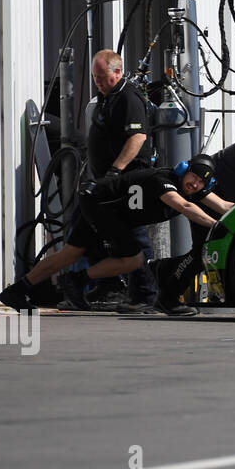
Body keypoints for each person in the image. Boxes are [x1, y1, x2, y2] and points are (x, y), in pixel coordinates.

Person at [0, 156, 233, 316]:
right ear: (184, 170)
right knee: (134, 259)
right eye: (193, 176)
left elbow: (224, 205)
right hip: (100, 206)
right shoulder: (164, 182)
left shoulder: (190, 188)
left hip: (102, 208)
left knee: (69, 254)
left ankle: (16, 291)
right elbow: (186, 208)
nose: (195, 184)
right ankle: (77, 280)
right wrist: (216, 226)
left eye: (201, 182)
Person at [82, 49, 158, 308]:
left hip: (128, 180)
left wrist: (116, 171)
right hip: (107, 182)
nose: (99, 83)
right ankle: (109, 286)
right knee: (103, 233)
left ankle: (146, 294)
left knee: (134, 235)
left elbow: (137, 138)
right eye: (95, 78)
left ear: (118, 72)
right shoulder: (107, 96)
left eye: (103, 77)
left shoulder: (128, 97)